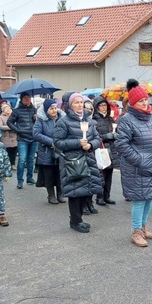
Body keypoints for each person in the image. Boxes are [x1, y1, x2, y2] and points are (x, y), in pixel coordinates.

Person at [115, 79, 152, 247]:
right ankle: (135, 231)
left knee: (149, 197)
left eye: (145, 100)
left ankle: (143, 227)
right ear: (133, 103)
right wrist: (139, 159)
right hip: (136, 167)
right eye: (140, 101)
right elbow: (122, 145)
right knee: (139, 199)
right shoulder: (126, 119)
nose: (144, 103)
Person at [53, 93, 103, 233]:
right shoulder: (63, 122)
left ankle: (78, 219)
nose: (80, 105)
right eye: (76, 102)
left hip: (88, 158)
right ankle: (75, 220)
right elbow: (58, 142)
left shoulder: (88, 120)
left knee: (86, 190)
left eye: (81, 102)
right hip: (73, 161)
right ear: (70, 105)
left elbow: (97, 139)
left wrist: (91, 145)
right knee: (75, 192)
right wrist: (77, 143)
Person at [33, 98, 65, 204]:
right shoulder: (41, 120)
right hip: (47, 150)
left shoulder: (62, 118)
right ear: (46, 109)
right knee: (49, 175)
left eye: (55, 108)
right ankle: (51, 195)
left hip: (60, 150)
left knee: (60, 173)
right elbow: (36, 134)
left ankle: (60, 194)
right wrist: (50, 141)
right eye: (52, 108)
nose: (54, 110)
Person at [7, 92, 38, 188]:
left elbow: (38, 123)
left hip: (33, 138)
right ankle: (20, 181)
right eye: (25, 97)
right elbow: (9, 122)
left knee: (31, 159)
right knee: (22, 160)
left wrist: (36, 119)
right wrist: (17, 130)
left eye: (28, 97)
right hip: (22, 139)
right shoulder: (16, 111)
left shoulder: (34, 110)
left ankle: (29, 177)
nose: (27, 99)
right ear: (21, 99)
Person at [92, 95, 118, 206]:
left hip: (111, 148)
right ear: (96, 107)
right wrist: (107, 136)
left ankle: (107, 196)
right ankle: (99, 197)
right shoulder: (94, 120)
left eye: (104, 105)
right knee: (101, 174)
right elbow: (96, 136)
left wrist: (115, 134)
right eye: (101, 105)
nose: (103, 107)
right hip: (101, 148)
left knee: (109, 174)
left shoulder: (110, 118)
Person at [0, 101, 17, 169]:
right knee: (7, 151)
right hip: (5, 136)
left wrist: (14, 127)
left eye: (9, 108)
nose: (8, 110)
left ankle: (13, 164)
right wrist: (10, 127)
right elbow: (0, 126)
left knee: (14, 151)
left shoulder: (13, 116)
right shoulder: (1, 117)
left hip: (14, 136)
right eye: (6, 109)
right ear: (3, 110)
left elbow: (17, 124)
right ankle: (7, 164)